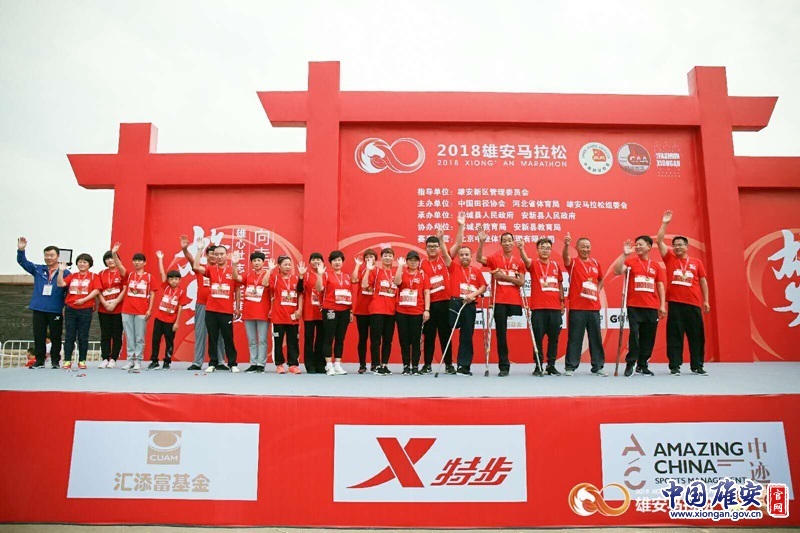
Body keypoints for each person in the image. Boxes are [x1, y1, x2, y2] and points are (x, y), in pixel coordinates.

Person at [657, 210, 711, 376]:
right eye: (675, 245)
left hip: (693, 304)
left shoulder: (696, 262)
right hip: (675, 304)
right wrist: (665, 223)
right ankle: (675, 366)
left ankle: (697, 365)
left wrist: (706, 301)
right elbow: (659, 240)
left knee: (696, 336)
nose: (678, 247)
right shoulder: (670, 258)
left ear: (687, 247)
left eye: (681, 244)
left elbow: (703, 282)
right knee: (675, 336)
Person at [611, 236, 667, 377]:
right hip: (634, 306)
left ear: (649, 247)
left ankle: (642, 365)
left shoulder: (655, 266)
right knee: (634, 336)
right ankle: (630, 363)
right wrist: (625, 255)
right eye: (636, 244)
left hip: (651, 306)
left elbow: (660, 285)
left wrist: (662, 305)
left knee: (648, 337)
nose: (637, 247)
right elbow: (617, 271)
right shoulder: (630, 262)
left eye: (641, 244)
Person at [476, 228, 525, 377]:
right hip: (499, 300)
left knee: (513, 333)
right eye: (504, 241)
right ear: (501, 243)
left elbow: (521, 282)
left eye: (510, 240)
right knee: (501, 333)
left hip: (514, 301)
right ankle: (504, 366)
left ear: (513, 243)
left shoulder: (519, 262)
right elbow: (479, 258)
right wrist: (481, 242)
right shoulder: (495, 259)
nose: (507, 243)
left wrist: (504, 277)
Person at [420, 216, 465, 375]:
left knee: (446, 335)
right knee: (429, 336)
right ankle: (427, 365)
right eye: (429, 246)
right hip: (429, 305)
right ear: (425, 248)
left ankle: (449, 365)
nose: (432, 248)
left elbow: (458, 244)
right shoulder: (421, 264)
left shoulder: (445, 259)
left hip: (445, 303)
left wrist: (461, 226)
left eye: (435, 246)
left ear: (439, 247)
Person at [16, 237, 68, 369]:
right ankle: (39, 360)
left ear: (58, 256)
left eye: (52, 255)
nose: (49, 258)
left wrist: (65, 307)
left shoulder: (65, 272)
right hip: (38, 307)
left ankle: (55, 361)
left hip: (55, 309)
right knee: (39, 335)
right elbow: (23, 262)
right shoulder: (38, 269)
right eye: (46, 255)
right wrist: (21, 250)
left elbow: (68, 291)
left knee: (56, 336)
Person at [193, 241, 243, 373]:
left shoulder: (232, 270)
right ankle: (212, 363)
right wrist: (199, 250)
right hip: (211, 309)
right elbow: (196, 266)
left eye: (221, 254)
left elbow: (237, 289)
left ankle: (232, 363)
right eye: (216, 254)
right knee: (212, 337)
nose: (219, 257)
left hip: (226, 310)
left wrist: (238, 307)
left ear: (227, 255)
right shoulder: (210, 269)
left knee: (228, 338)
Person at [561, 233, 607, 377]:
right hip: (577, 308)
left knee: (596, 338)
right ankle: (570, 367)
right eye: (583, 247)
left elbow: (601, 279)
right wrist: (566, 245)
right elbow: (565, 258)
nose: (586, 249)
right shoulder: (573, 263)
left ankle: (598, 367)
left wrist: (596, 291)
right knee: (575, 338)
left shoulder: (595, 263)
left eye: (588, 247)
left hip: (593, 308)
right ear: (577, 248)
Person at [519, 238, 566, 376]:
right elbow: (526, 261)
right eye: (542, 247)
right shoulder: (534, 264)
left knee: (554, 339)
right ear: (537, 250)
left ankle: (551, 365)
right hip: (538, 309)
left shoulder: (555, 265)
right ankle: (538, 365)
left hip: (555, 309)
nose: (545, 250)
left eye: (548, 248)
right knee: (537, 339)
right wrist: (521, 249)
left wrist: (562, 302)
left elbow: (560, 285)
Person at [180, 236, 225, 371]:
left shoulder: (222, 271)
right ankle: (197, 362)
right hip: (202, 305)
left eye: (216, 254)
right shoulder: (201, 268)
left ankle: (220, 362)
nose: (214, 256)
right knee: (200, 333)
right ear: (206, 255)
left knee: (219, 335)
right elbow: (190, 259)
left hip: (218, 307)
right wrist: (184, 249)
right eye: (211, 254)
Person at [446, 241, 487, 376]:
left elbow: (483, 287)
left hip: (469, 304)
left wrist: (473, 295)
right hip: (455, 303)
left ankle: (463, 366)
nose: (464, 257)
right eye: (462, 255)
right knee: (448, 331)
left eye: (467, 254)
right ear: (458, 257)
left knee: (467, 335)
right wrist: (440, 240)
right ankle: (447, 364)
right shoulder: (454, 267)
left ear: (470, 256)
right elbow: (445, 256)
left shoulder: (476, 271)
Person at [112, 245, 155, 372]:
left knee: (139, 337)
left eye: (139, 260)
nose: (137, 262)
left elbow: (152, 294)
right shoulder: (129, 275)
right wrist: (114, 253)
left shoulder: (149, 277)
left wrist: (150, 309)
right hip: (127, 310)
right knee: (129, 337)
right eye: (135, 260)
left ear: (144, 262)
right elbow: (119, 266)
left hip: (141, 311)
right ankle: (130, 360)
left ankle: (138, 361)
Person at [147, 251, 191, 370]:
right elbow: (162, 273)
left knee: (169, 342)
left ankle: (167, 362)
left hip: (171, 321)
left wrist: (177, 322)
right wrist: (160, 259)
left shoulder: (181, 292)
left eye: (176, 279)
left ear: (180, 280)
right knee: (155, 340)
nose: (173, 281)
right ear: (168, 280)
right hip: (159, 319)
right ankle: (154, 361)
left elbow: (180, 307)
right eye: (171, 279)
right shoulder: (166, 286)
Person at [57, 253, 101, 369]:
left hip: (85, 309)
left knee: (83, 336)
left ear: (89, 264)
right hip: (70, 309)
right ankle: (67, 360)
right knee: (69, 336)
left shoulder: (94, 276)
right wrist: (61, 271)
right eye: (80, 262)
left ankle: (82, 360)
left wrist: (84, 300)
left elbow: (96, 290)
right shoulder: (72, 276)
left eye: (85, 262)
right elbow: (61, 284)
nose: (82, 264)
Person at [315, 250, 352, 376]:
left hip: (344, 310)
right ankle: (329, 365)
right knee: (329, 337)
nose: (337, 262)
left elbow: (349, 294)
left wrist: (350, 310)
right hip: (330, 309)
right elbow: (319, 288)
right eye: (335, 260)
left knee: (340, 338)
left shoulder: (346, 277)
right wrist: (319, 275)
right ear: (330, 263)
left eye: (339, 260)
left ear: (342, 262)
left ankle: (337, 365)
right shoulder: (326, 275)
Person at [394, 251, 431, 375]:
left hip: (417, 311)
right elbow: (397, 282)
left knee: (416, 340)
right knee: (404, 340)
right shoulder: (402, 273)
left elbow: (426, 293)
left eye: (415, 260)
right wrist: (400, 266)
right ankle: (406, 366)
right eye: (410, 260)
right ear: (407, 261)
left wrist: (427, 310)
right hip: (401, 311)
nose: (413, 262)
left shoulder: (423, 275)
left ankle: (415, 366)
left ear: (419, 262)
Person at [364, 248, 399, 376]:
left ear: (393, 258)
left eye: (390, 256)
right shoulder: (376, 271)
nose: (388, 258)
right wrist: (368, 270)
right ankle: (376, 365)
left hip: (391, 311)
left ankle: (384, 364)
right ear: (381, 258)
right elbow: (364, 285)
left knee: (388, 340)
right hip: (377, 310)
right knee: (376, 339)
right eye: (385, 256)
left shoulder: (396, 273)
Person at [270, 256, 305, 374]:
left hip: (293, 316)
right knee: (278, 342)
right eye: (285, 264)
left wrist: (300, 309)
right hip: (278, 316)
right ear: (279, 266)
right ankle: (279, 364)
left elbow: (300, 294)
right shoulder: (275, 278)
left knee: (293, 342)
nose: (288, 267)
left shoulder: (296, 278)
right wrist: (269, 270)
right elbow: (265, 284)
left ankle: (293, 364)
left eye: (289, 264)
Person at [242, 252, 273, 373]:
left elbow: (268, 286)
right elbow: (237, 278)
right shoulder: (248, 275)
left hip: (263, 312)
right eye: (254, 261)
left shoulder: (269, 275)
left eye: (259, 260)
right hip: (248, 311)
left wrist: (269, 270)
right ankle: (253, 363)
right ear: (251, 263)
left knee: (262, 339)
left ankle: (261, 364)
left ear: (263, 262)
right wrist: (234, 264)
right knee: (252, 340)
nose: (256, 263)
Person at [97, 245, 125, 368]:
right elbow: (98, 290)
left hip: (118, 308)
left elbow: (125, 289)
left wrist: (115, 303)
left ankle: (113, 358)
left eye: (112, 258)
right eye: (107, 259)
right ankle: (105, 358)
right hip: (104, 309)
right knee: (105, 334)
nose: (110, 260)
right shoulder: (101, 273)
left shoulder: (122, 272)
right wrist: (104, 303)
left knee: (117, 335)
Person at [352, 249, 378, 374]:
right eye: (366, 257)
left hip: (375, 310)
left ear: (375, 259)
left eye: (371, 257)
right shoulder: (362, 271)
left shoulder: (379, 272)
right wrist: (357, 265)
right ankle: (362, 364)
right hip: (362, 310)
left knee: (375, 339)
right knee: (362, 338)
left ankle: (374, 364)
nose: (369, 259)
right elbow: (354, 280)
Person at [302, 252, 326, 373]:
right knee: (309, 339)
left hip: (323, 311)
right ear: (309, 262)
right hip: (309, 311)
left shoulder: (326, 275)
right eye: (313, 259)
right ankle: (310, 365)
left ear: (323, 262)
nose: (316, 261)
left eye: (318, 259)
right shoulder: (306, 275)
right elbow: (300, 291)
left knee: (321, 339)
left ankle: (320, 364)